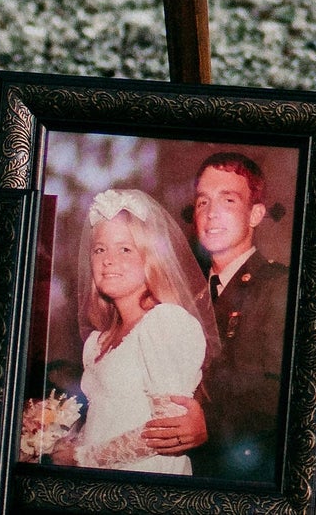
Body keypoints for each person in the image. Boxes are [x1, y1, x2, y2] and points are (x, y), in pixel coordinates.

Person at [141, 152, 290, 481]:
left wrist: (209, 422)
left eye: (229, 200)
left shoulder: (278, 286)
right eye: (203, 202)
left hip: (244, 469)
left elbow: (283, 390)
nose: (212, 214)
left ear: (255, 214)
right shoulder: (183, 295)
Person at [62, 189, 217, 475]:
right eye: (99, 249)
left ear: (150, 258)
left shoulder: (165, 323)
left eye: (125, 248)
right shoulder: (97, 341)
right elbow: (104, 421)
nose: (108, 260)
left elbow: (165, 434)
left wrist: (81, 458)